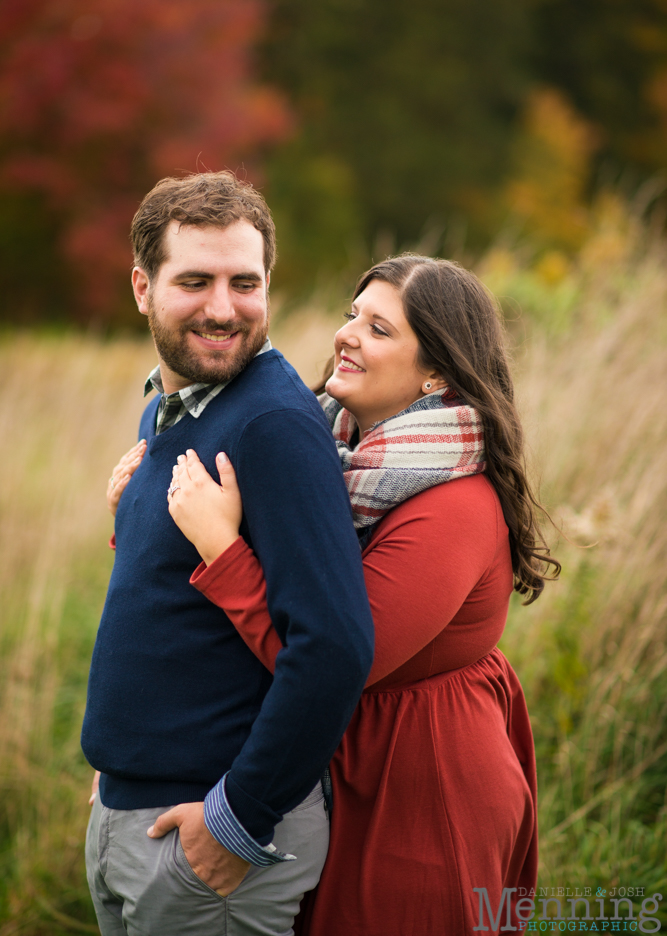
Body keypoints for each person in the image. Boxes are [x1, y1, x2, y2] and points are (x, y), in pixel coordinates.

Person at [127, 254, 561, 936]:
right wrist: (146, 506)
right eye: (350, 314)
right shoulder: (330, 460)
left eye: (379, 328)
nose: (347, 334)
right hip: (326, 759)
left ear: (437, 373)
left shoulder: (454, 509)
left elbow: (329, 657)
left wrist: (222, 548)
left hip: (418, 781)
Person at [81, 171, 374, 936]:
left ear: (269, 282)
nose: (221, 308)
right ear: (143, 287)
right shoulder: (169, 410)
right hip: (137, 813)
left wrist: (237, 822)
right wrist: (120, 762)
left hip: (210, 847)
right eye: (195, 281)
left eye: (243, 282)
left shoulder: (270, 425)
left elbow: (335, 646)